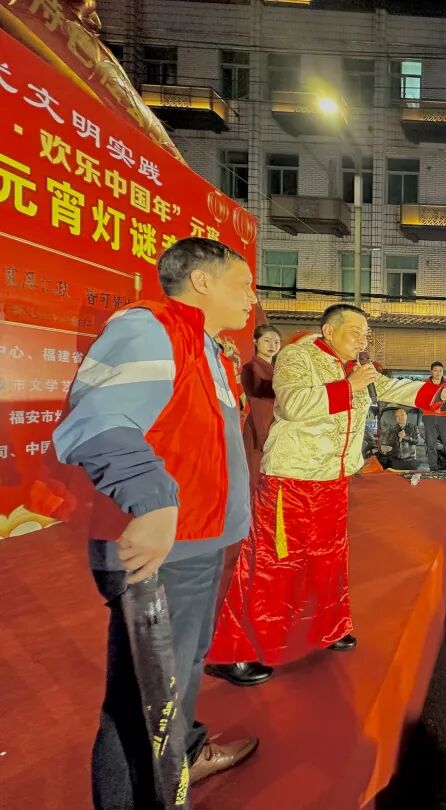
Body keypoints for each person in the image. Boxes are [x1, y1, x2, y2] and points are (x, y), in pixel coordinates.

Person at [52, 238, 260, 805]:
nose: (253, 297)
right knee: (145, 697)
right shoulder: (152, 329)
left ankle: (184, 755)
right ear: (202, 281)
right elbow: (97, 423)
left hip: (199, 540)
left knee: (179, 671)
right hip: (165, 546)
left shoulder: (207, 345)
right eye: (243, 284)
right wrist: (153, 499)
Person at [205, 304, 446, 685]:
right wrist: (349, 386)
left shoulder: (357, 368)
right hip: (291, 479)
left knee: (329, 559)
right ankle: (235, 651)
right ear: (328, 330)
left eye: (366, 334)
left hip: (333, 479)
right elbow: (292, 404)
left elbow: (392, 388)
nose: (362, 340)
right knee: (272, 563)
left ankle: (329, 628)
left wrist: (442, 392)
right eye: (355, 332)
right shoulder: (297, 356)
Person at [241, 323, 281, 489]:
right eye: (267, 340)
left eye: (277, 342)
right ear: (255, 341)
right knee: (255, 475)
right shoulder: (250, 368)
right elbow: (257, 400)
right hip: (259, 427)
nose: (273, 345)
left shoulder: (276, 370)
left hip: (273, 425)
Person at [419, 361, 446, 471]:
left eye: (440, 370)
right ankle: (433, 468)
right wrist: (430, 409)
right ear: (431, 371)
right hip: (429, 417)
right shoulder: (424, 383)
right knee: (430, 443)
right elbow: (419, 401)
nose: (438, 373)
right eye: (435, 370)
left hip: (444, 417)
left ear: (443, 371)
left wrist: (441, 409)